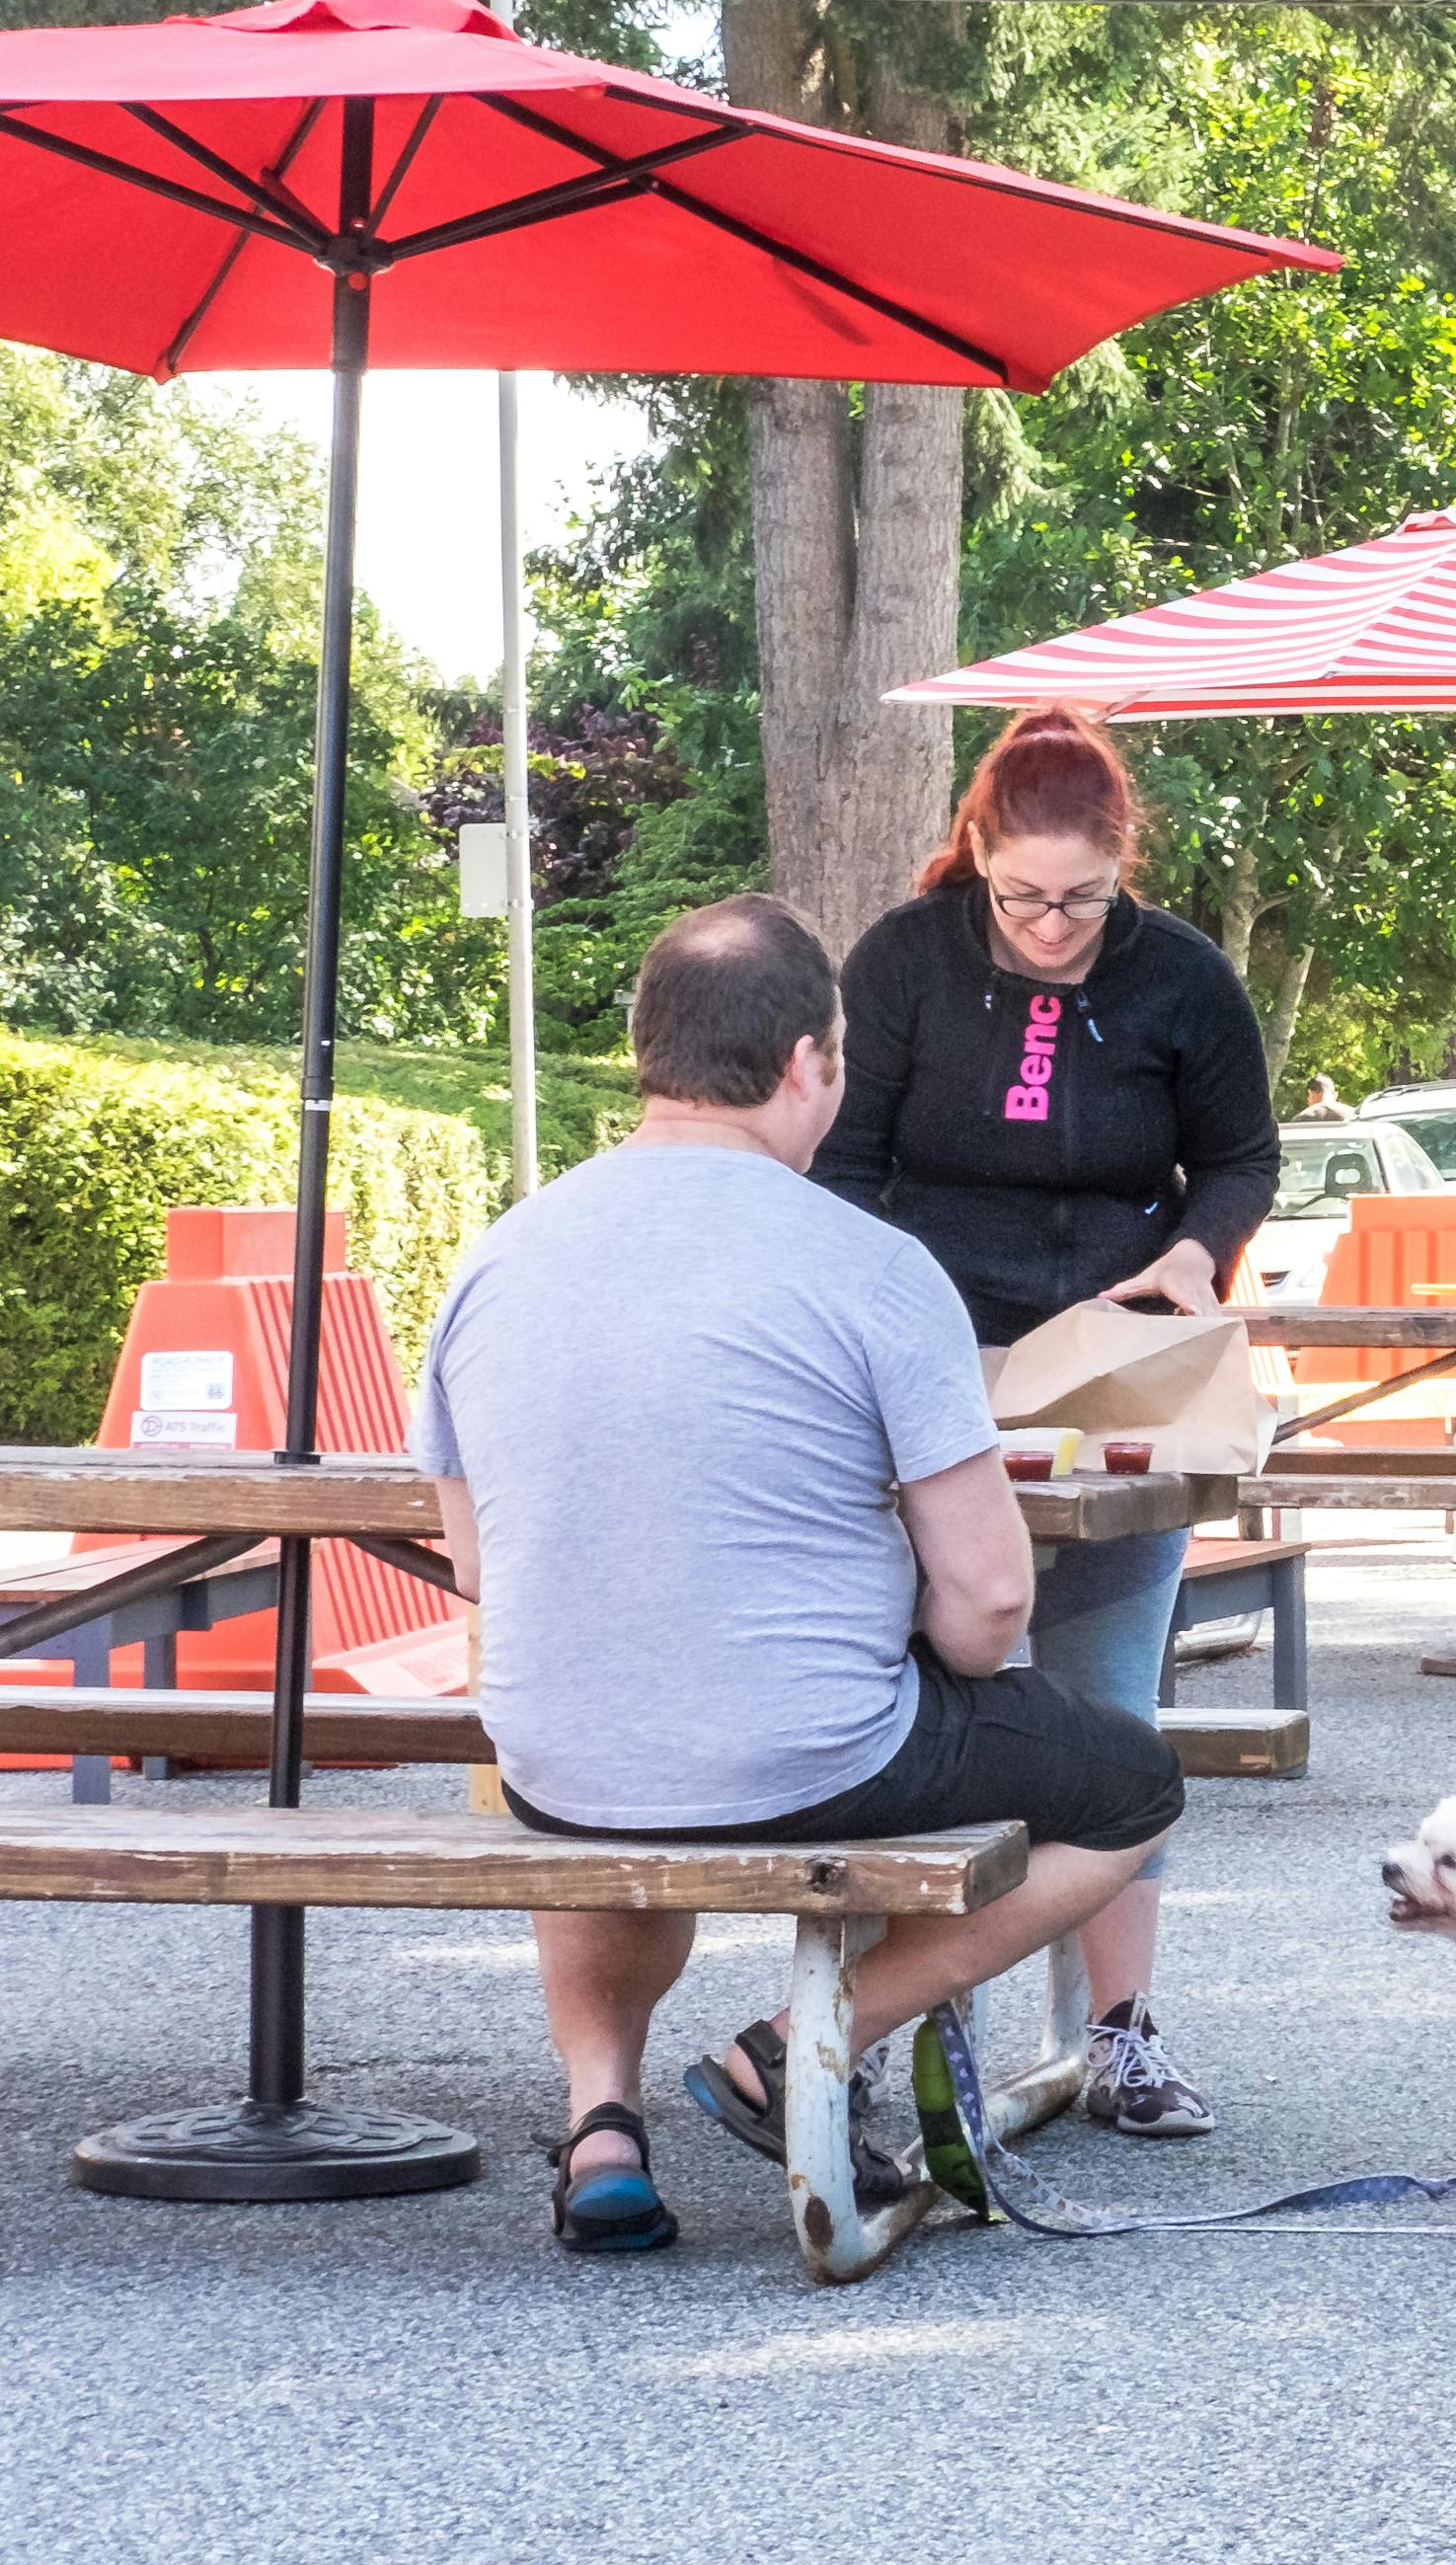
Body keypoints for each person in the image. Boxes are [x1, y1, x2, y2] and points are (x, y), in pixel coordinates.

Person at [422, 897, 1186, 2254]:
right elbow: (993, 1600)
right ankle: (799, 2042)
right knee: (1129, 1783)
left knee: (605, 1779)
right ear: (805, 1062)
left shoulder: (491, 1259)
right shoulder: (872, 1266)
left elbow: (481, 1562)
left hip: (555, 1752)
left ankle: (603, 2121)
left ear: (646, 1052)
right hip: (814, 1748)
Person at [809, 707, 1275, 2138]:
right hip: (934, 1363)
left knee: (1107, 1706)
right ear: (977, 859)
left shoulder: (1180, 976)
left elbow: (1241, 1155)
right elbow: (842, 1164)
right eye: (1021, 896)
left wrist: (1198, 1250)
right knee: (941, 1706)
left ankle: (1119, 2034)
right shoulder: (903, 960)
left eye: (1080, 896)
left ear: (1120, 864)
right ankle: (899, 2019)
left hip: (1115, 1367)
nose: (1052, 923)